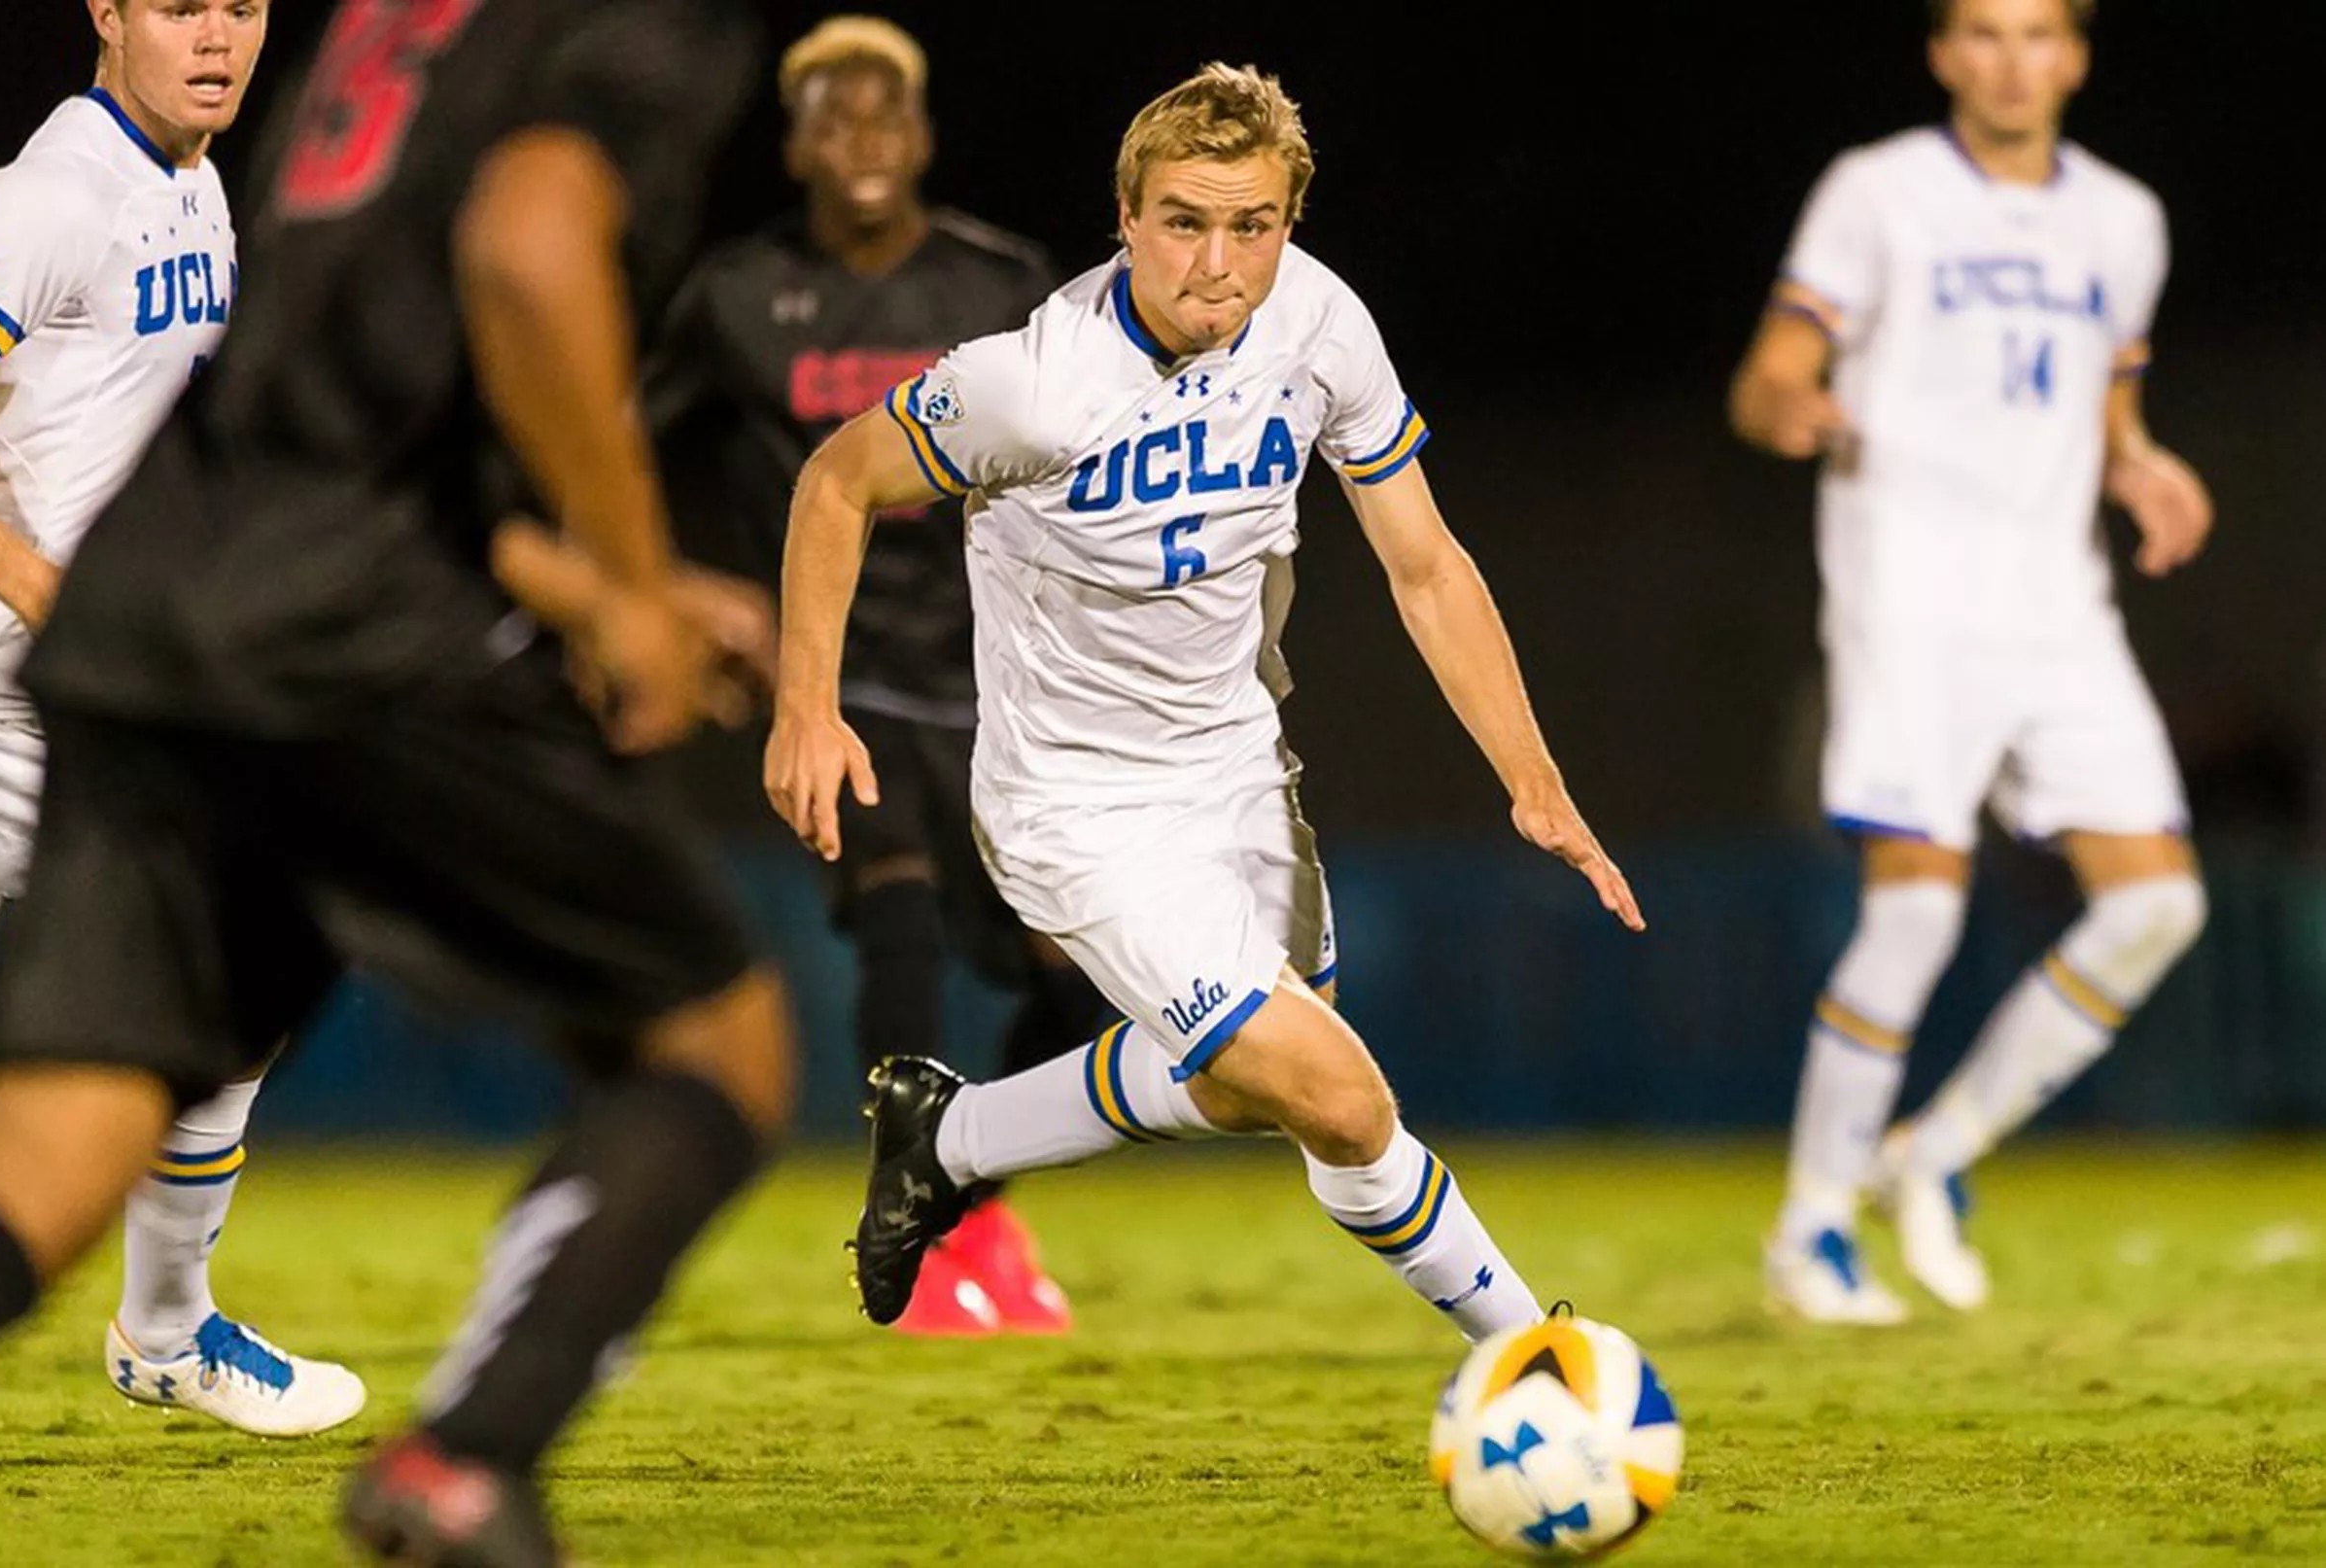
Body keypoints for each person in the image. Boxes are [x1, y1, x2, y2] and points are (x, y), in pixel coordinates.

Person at [0, 0, 789, 1561]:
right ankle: (466, 1459)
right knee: (720, 1035)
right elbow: (530, 252)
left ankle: (177, 1327)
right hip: (314, 640)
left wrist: (592, 584)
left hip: (152, 623)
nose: (216, 30)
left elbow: (330, 416)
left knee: (54, 1143)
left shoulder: (367, 45)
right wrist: (626, 582)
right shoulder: (631, 26)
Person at [766, 62, 1646, 1347]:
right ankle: (1542, 1358)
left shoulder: (1321, 325)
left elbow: (1426, 563)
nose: (1219, 264)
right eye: (1185, 220)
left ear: (1290, 223)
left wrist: (1534, 777)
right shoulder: (1033, 380)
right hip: (1076, 803)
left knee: (1258, 1088)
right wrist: (806, 705)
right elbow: (836, 481)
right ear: (1126, 216)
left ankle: (947, 1137)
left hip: (1236, 765)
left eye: (1255, 226)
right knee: (1340, 1100)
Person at [1730, 0, 2211, 1322]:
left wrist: (2141, 463)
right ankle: (1810, 1228)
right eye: (1985, 34)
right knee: (1918, 910)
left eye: (2039, 34)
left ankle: (1930, 1151)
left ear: (2077, 54)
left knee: (2159, 904)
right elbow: (1772, 368)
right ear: (1944, 53)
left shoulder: (2123, 219)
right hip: (1911, 596)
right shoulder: (1877, 193)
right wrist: (1789, 404)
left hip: (2061, 606)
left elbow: (2109, 404)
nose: (2014, 61)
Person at [647, 15, 1099, 1337]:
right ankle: (916, 1244)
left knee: (1082, 988)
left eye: (883, 115)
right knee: (894, 909)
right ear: (794, 143)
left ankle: (962, 1198)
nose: (860, 140)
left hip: (997, 690)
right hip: (840, 689)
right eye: (832, 118)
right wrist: (676, 593)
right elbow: (612, 452)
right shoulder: (736, 296)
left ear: (923, 138)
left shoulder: (1001, 285)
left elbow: (1090, 465)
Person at [0, 0, 365, 1435]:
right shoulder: (43, 201)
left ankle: (165, 1329)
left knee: (239, 985)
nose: (218, 36)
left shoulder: (194, 178)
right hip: (4, 702)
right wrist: (43, 589)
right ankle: (162, 1328)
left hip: (105, 701)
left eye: (244, 7)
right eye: (180, 5)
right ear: (104, 11)